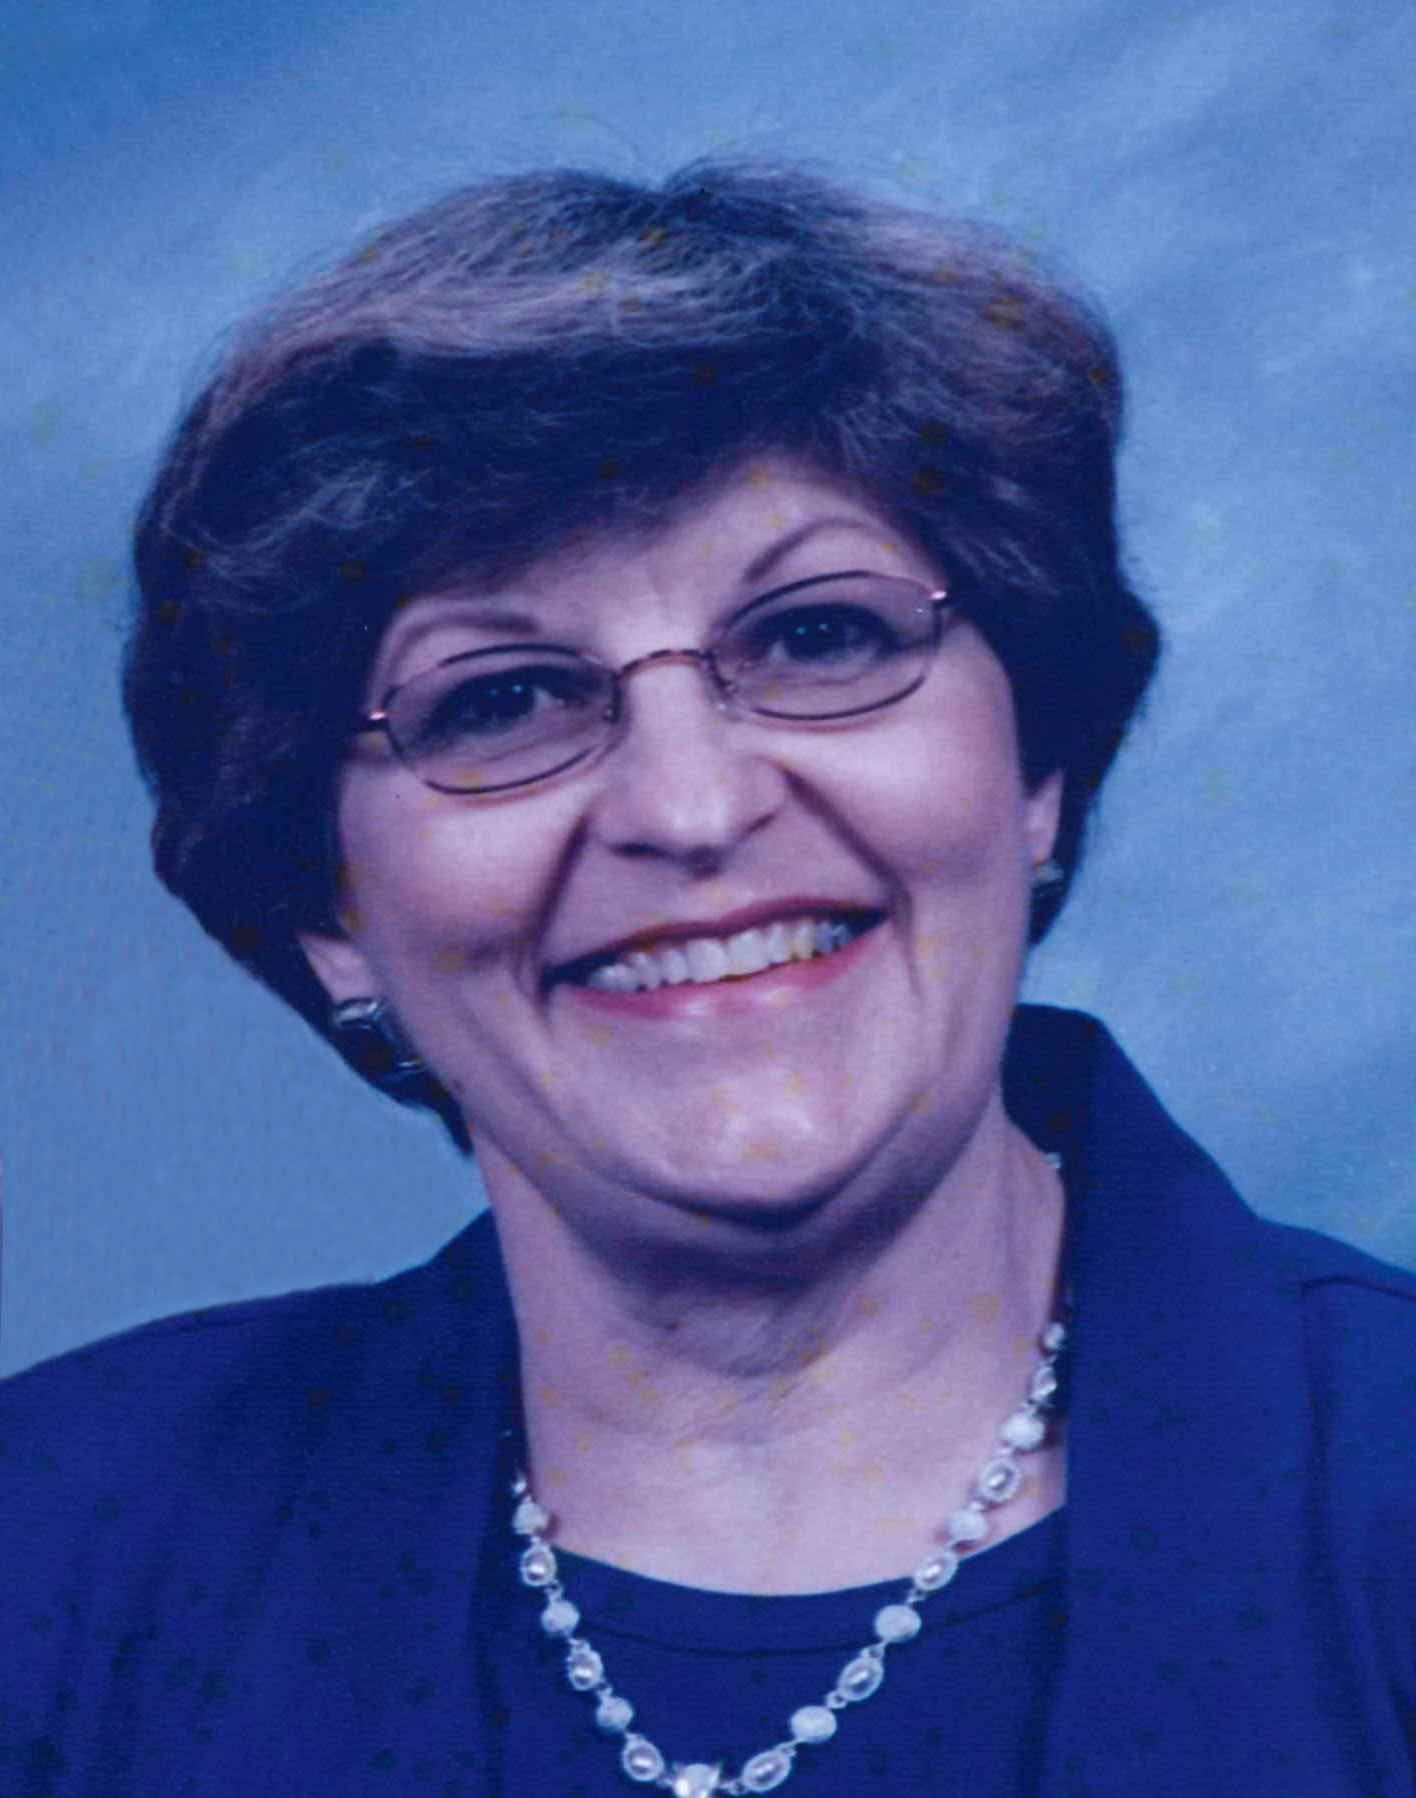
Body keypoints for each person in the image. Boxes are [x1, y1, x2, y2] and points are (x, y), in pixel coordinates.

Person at [2, 161, 1412, 1798]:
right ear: (321, 903)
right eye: (500, 699)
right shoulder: (54, 1551)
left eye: (818, 637)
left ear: (1034, 763)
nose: (690, 807)